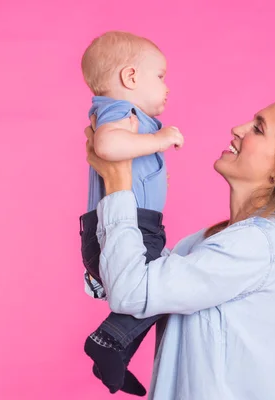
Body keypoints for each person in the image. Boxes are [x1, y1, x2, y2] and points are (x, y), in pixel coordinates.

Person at [84, 97, 275, 399]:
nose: (237, 129)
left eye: (258, 129)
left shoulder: (259, 245)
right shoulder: (209, 241)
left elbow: (130, 291)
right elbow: (128, 280)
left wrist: (119, 182)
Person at [79, 31, 184, 395]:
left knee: (159, 292)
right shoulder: (119, 110)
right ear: (130, 78)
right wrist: (160, 140)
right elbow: (108, 144)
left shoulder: (129, 116)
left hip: (133, 226)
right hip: (126, 227)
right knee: (161, 288)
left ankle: (115, 353)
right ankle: (108, 342)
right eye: (161, 76)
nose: (167, 86)